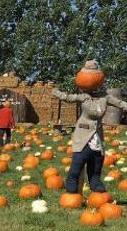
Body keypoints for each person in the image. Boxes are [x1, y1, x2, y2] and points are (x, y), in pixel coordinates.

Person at [53, 60, 127, 194]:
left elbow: (120, 103)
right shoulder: (83, 97)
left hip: (97, 137)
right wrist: (57, 92)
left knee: (96, 164)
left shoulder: (105, 97)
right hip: (83, 136)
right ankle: (71, 189)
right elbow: (68, 97)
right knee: (77, 164)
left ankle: (96, 186)